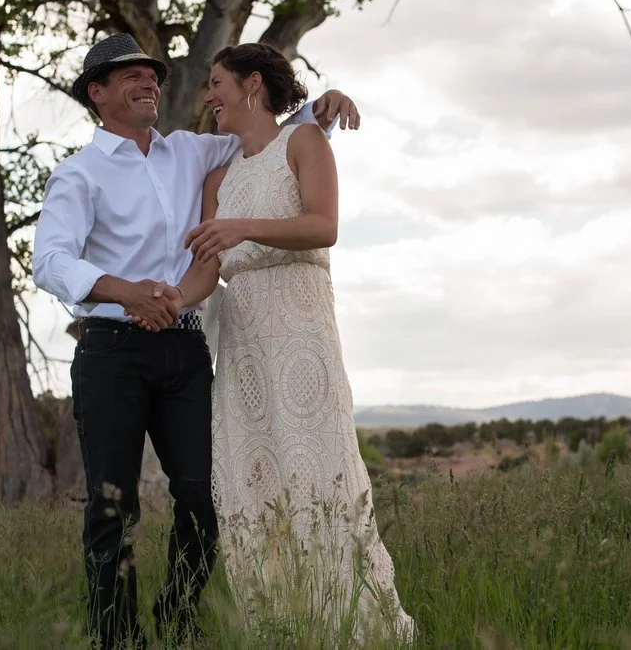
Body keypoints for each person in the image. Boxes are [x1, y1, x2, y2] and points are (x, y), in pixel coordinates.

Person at [31, 33, 359, 650]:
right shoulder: (79, 174)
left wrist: (323, 106)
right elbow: (48, 260)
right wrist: (124, 291)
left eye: (151, 74)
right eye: (129, 76)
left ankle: (178, 618)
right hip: (112, 350)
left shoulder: (192, 150)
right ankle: (117, 638)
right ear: (97, 93)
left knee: (206, 497)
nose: (147, 82)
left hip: (185, 349)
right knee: (113, 505)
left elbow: (266, 135)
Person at [181, 43, 417, 644]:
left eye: (216, 83)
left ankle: (354, 626)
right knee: (254, 482)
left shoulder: (304, 142)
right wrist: (164, 301)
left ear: (251, 85)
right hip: (244, 348)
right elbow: (207, 272)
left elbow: (323, 226)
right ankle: (283, 628)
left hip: (302, 333)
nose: (209, 96)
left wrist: (241, 226)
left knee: (320, 472)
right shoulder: (217, 178)